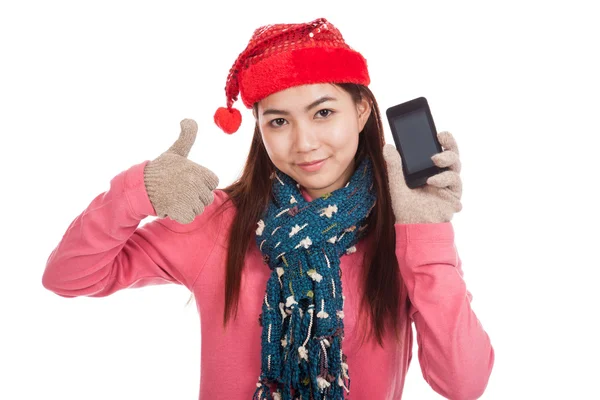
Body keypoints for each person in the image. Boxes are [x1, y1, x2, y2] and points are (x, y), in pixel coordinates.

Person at [42, 17, 494, 400]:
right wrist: (135, 191)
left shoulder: (407, 231)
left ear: (360, 112)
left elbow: (463, 381)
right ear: (259, 129)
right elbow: (69, 276)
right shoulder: (218, 224)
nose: (304, 143)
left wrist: (428, 230)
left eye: (323, 113)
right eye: (278, 121)